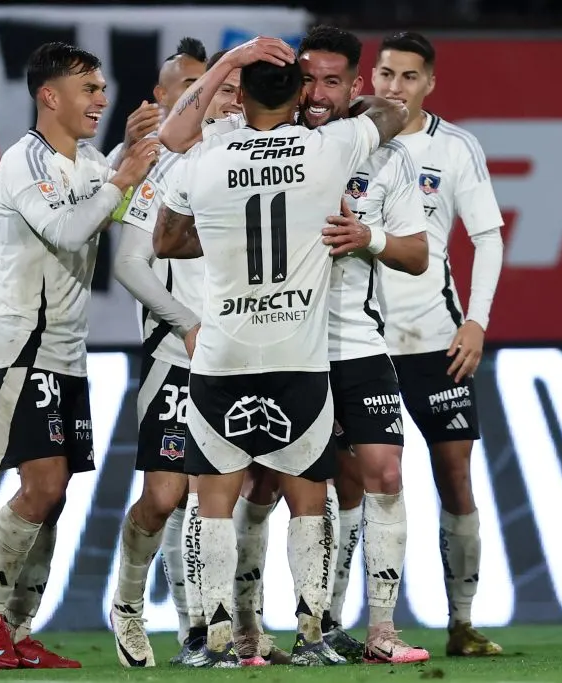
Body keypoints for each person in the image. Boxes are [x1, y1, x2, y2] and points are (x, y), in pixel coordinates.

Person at [160, 26, 433, 665]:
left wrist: (364, 236)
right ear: (292, 87)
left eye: (332, 81)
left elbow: (169, 209)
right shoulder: (338, 149)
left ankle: (259, 636)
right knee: (284, 491)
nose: (317, 91)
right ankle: (273, 633)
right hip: (297, 352)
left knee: (358, 478)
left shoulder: (214, 151)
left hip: (315, 344)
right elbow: (393, 112)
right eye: (306, 79)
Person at [0, 41, 157, 669]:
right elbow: (70, 228)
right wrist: (121, 176)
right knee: (41, 486)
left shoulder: (95, 162)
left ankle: (13, 631)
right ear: (51, 96)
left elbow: (117, 194)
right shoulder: (22, 162)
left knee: (58, 491)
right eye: (89, 88)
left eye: (101, 88)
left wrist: (126, 155)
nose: (101, 98)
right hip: (19, 347)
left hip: (67, 354)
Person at [108, 40, 246, 669]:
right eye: (205, 87)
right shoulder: (158, 165)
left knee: (223, 496)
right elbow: (130, 264)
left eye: (223, 86)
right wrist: (186, 323)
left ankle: (205, 630)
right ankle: (129, 606)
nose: (221, 97)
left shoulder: (250, 157)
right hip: (175, 351)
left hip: (241, 352)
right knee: (165, 498)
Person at [372, 31, 505, 657]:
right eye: (385, 74)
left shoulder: (454, 147)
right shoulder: (345, 139)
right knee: (365, 483)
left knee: (455, 477)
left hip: (434, 338)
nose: (393, 87)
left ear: (429, 84)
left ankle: (461, 621)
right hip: (360, 341)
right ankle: (361, 627)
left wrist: (475, 320)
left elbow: (489, 237)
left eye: (407, 77)